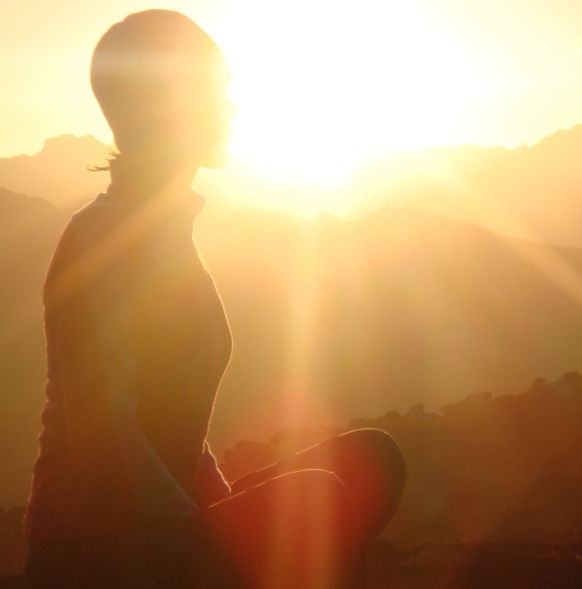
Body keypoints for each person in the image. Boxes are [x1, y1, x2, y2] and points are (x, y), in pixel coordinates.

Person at [24, 10, 405, 588]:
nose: (232, 109)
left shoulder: (169, 231)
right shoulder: (101, 239)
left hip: (164, 526)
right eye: (218, 92)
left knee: (371, 460)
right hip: (98, 551)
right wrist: (198, 535)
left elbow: (179, 426)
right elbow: (109, 429)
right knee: (321, 495)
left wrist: (220, 512)